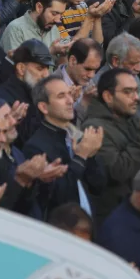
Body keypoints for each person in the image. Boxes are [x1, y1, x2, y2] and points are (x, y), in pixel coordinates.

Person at [83, 67, 140, 222]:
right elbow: (118, 172)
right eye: (127, 92)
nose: (136, 97)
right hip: (120, 215)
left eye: (136, 91)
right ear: (108, 96)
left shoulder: (137, 114)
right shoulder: (94, 128)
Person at [23, 74, 106, 222]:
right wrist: (80, 157)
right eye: (61, 96)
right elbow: (62, 196)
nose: (70, 101)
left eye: (69, 94)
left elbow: (98, 185)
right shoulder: (36, 146)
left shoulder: (77, 135)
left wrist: (91, 155)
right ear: (43, 107)